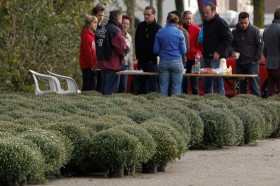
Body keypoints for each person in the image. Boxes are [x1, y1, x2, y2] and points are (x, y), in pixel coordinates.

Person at [201, 2, 233, 96]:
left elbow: (229, 37)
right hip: (206, 57)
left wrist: (219, 51)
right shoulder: (206, 22)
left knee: (217, 84)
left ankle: (220, 106)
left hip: (216, 58)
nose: (205, 15)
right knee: (206, 85)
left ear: (214, 11)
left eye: (207, 13)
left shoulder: (221, 22)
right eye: (204, 13)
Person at [95, 10, 128, 95]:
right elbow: (122, 48)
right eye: (121, 19)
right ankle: (107, 107)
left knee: (103, 88)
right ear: (118, 19)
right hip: (112, 64)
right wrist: (126, 49)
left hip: (102, 63)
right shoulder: (115, 30)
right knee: (110, 91)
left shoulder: (103, 29)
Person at [153, 13, 187, 96]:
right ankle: (175, 107)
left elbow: (156, 50)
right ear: (176, 22)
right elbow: (183, 51)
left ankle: (163, 107)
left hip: (163, 61)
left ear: (167, 20)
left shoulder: (160, 32)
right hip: (176, 62)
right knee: (176, 87)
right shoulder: (179, 33)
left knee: (163, 88)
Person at [230, 12, 263, 97]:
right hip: (240, 63)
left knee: (254, 86)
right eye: (242, 23)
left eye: (246, 23)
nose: (244, 25)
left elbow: (260, 45)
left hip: (252, 63)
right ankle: (243, 105)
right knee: (241, 88)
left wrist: (256, 59)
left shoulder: (255, 30)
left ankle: (257, 104)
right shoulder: (234, 32)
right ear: (238, 21)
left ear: (249, 21)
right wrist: (232, 52)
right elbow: (230, 45)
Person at [135, 6, 161, 94]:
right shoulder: (140, 26)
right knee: (141, 85)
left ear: (154, 15)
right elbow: (137, 41)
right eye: (144, 14)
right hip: (141, 61)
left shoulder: (158, 28)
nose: (146, 16)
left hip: (152, 62)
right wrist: (138, 57)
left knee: (152, 85)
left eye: (148, 15)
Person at [182, 10, 202, 95]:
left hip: (195, 59)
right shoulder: (180, 30)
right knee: (184, 82)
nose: (188, 21)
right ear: (183, 19)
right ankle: (185, 99)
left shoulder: (197, 29)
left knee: (194, 82)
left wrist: (200, 54)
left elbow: (201, 44)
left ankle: (196, 99)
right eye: (186, 19)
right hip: (185, 59)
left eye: (190, 18)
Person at [263, 6, 280, 97]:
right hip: (278, 65)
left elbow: (264, 50)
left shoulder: (266, 30)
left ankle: (269, 108)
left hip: (269, 64)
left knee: (270, 89)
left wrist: (268, 58)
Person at [79, 15, 98, 91]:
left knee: (92, 85)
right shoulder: (87, 36)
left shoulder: (92, 36)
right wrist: (92, 65)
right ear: (88, 24)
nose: (96, 24)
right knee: (88, 86)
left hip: (92, 65)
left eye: (96, 23)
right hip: (88, 66)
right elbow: (88, 53)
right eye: (94, 23)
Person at [117, 15, 134, 93]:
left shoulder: (129, 37)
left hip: (125, 64)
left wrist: (131, 67)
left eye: (127, 24)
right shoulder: (117, 34)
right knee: (116, 86)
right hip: (117, 64)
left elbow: (130, 52)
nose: (125, 25)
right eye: (124, 23)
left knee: (124, 86)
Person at [92, 5, 105, 92]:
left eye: (102, 15)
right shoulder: (91, 28)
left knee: (101, 84)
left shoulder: (103, 28)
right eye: (99, 15)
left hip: (102, 59)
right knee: (93, 84)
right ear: (94, 15)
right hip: (93, 59)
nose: (101, 17)